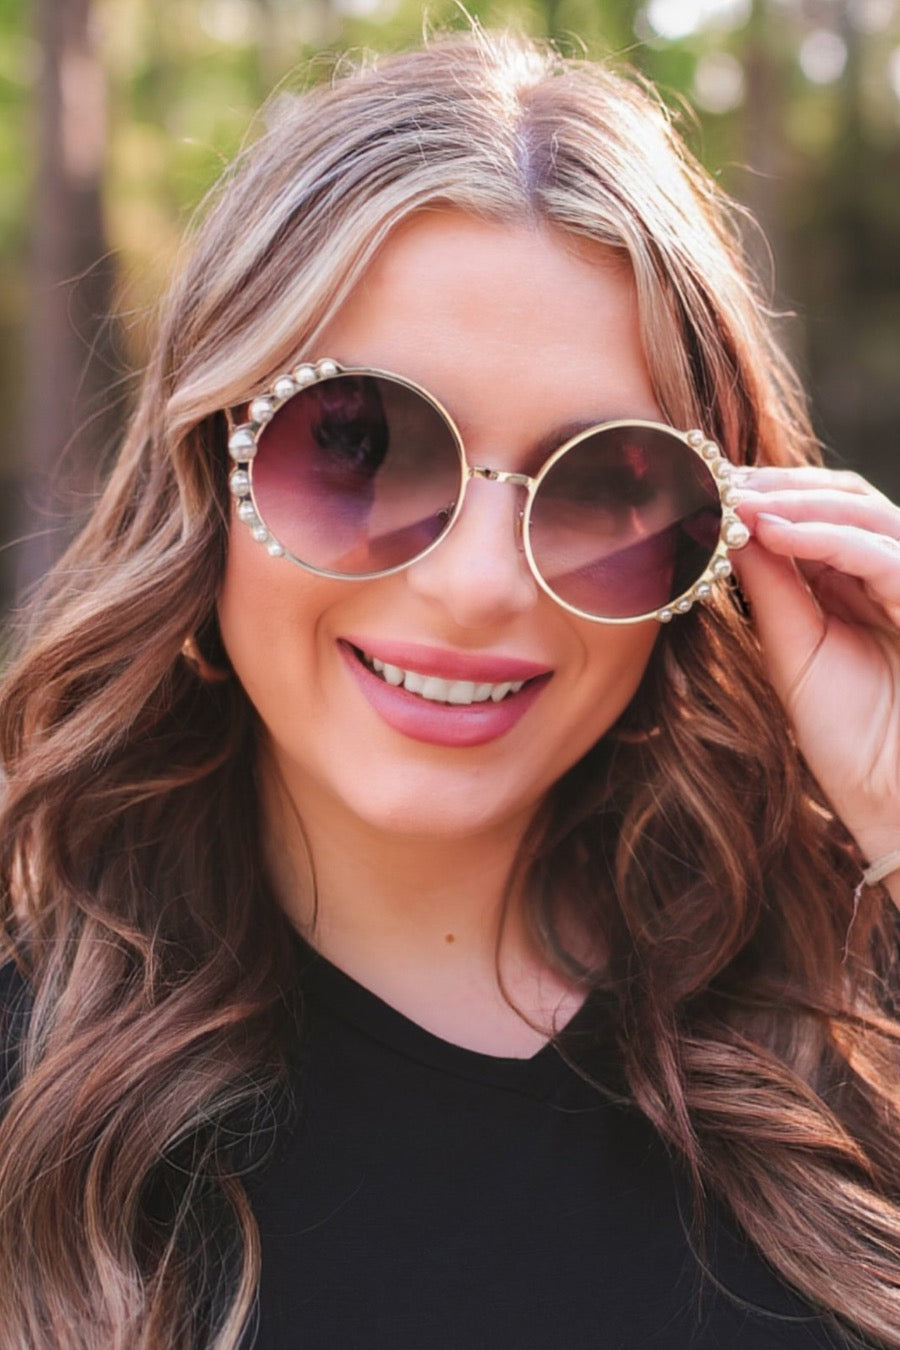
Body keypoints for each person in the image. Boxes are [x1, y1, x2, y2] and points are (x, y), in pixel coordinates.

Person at [0, 26, 898, 1350]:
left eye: (603, 479)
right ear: (208, 477)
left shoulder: (846, 1015)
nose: (479, 585)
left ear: (715, 540)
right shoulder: (32, 1067)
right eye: (358, 443)